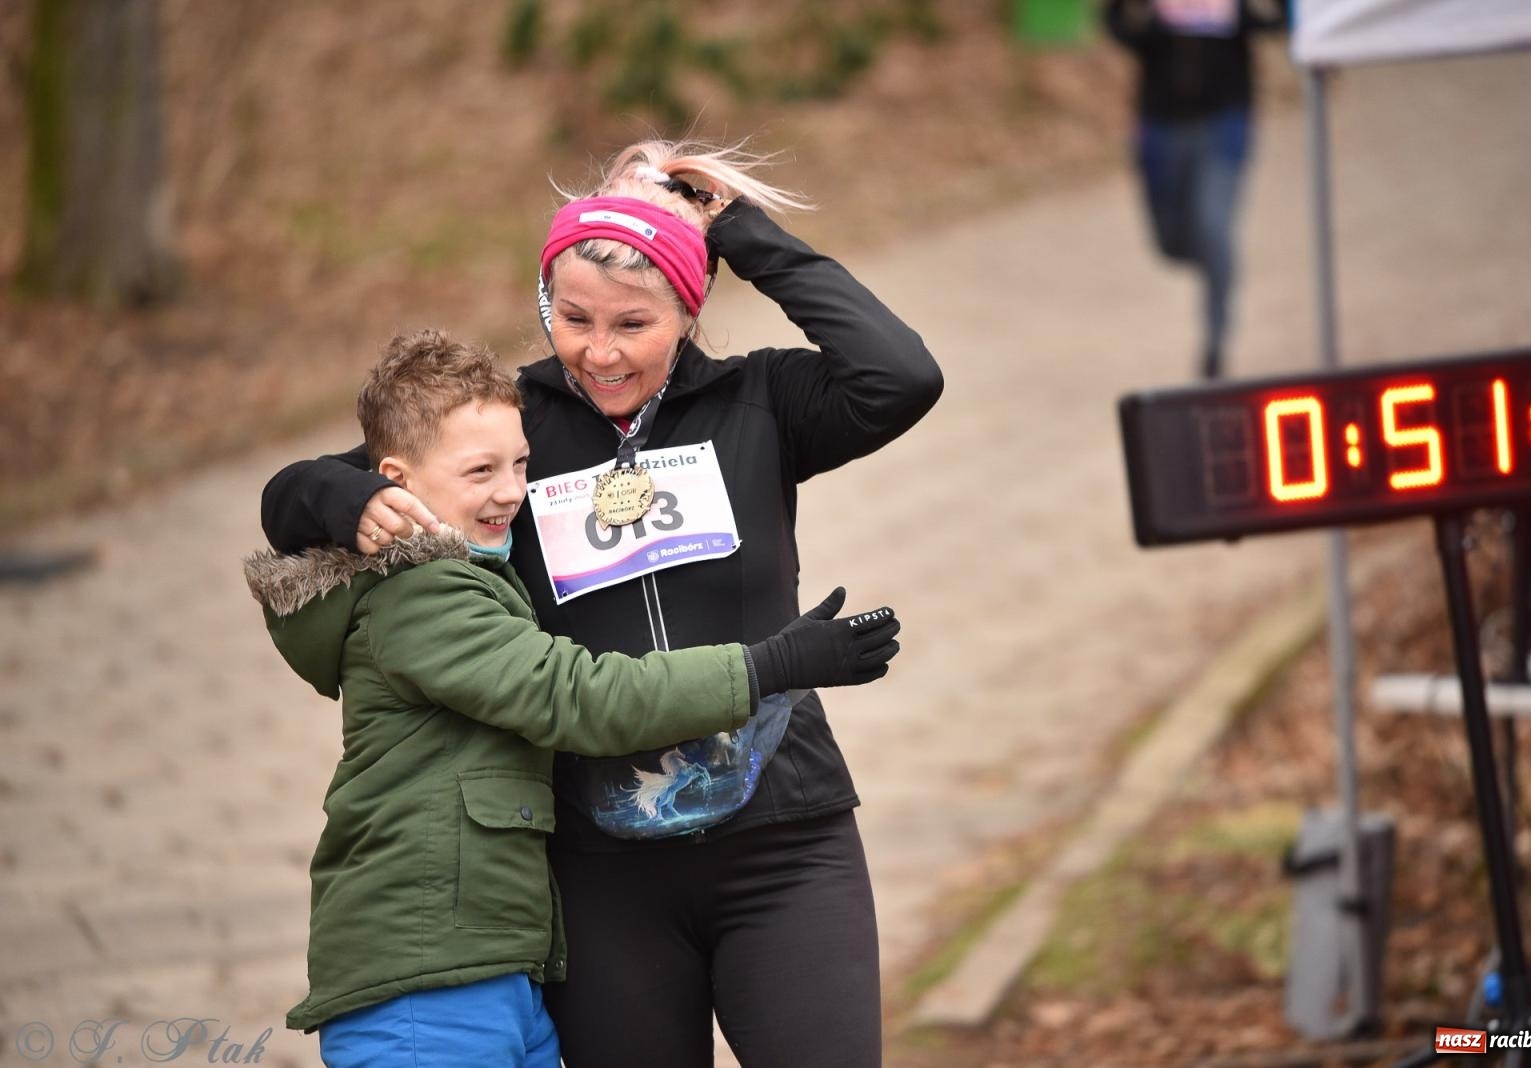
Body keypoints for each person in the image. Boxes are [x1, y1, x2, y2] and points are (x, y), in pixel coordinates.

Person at [260, 139, 943, 1067]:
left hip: (782, 838)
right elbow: (290, 499)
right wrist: (347, 499)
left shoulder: (760, 402)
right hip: (600, 872)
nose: (600, 351)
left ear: (691, 310)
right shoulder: (514, 428)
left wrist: (738, 230)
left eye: (634, 323)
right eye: (573, 318)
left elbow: (901, 376)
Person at [1105, 0, 1288, 379]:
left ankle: (1216, 342)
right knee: (1169, 245)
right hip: (1161, 129)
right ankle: (1220, 265)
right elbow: (1118, 29)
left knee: (1214, 225)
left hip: (1224, 124)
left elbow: (1279, 22)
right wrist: (1150, 19)